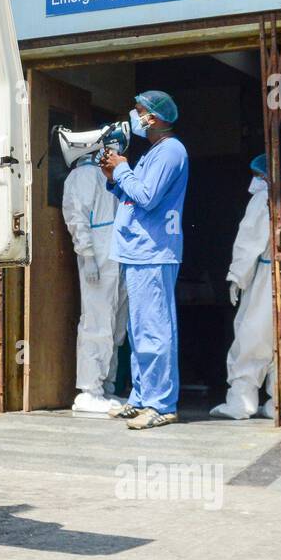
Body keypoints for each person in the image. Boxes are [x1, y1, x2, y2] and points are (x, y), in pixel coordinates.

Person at [98, 90, 189, 430]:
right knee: (139, 331)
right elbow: (135, 197)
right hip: (138, 250)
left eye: (138, 111)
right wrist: (114, 179)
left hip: (154, 251)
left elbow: (148, 197)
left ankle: (162, 404)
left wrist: (121, 169)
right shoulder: (155, 152)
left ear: (154, 117)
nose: (134, 117)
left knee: (155, 329)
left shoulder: (170, 151)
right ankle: (141, 398)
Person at [61, 143, 127, 414]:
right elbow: (77, 218)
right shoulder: (82, 175)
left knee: (115, 325)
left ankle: (106, 386)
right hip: (99, 254)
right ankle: (89, 391)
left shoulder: (103, 173)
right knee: (96, 323)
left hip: (114, 251)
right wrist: (87, 255)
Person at [211, 153, 276, 420]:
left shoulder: (263, 199)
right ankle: (278, 402)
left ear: (263, 176)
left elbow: (249, 241)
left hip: (264, 273)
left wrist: (237, 277)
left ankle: (241, 401)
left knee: (251, 338)